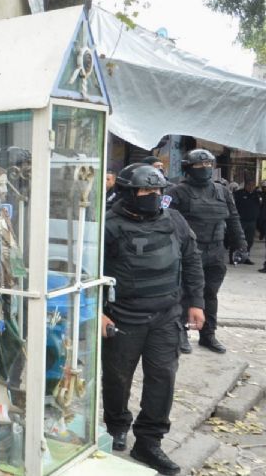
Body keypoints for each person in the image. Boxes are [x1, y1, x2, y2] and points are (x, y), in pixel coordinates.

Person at [102, 163, 205, 476]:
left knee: (162, 378)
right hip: (123, 318)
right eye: (146, 191)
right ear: (128, 193)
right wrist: (99, 312)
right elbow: (89, 272)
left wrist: (196, 303)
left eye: (158, 191)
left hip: (165, 316)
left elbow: (191, 259)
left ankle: (148, 441)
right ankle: (117, 425)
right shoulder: (108, 225)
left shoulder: (173, 219)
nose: (153, 196)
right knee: (117, 378)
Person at [167, 149, 246, 354]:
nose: (205, 169)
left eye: (208, 165)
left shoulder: (223, 191)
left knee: (210, 295)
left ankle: (208, 335)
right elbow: (165, 222)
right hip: (189, 252)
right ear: (188, 168)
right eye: (199, 165)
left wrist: (241, 244)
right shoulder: (176, 192)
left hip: (216, 251)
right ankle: (181, 333)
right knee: (184, 293)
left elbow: (233, 218)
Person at [233, 179, 261, 264]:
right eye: (249, 185)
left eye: (253, 185)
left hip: (252, 221)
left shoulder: (257, 195)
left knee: (249, 241)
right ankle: (234, 257)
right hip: (240, 220)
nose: (251, 187)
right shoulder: (239, 194)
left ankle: (246, 257)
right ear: (245, 185)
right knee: (237, 239)